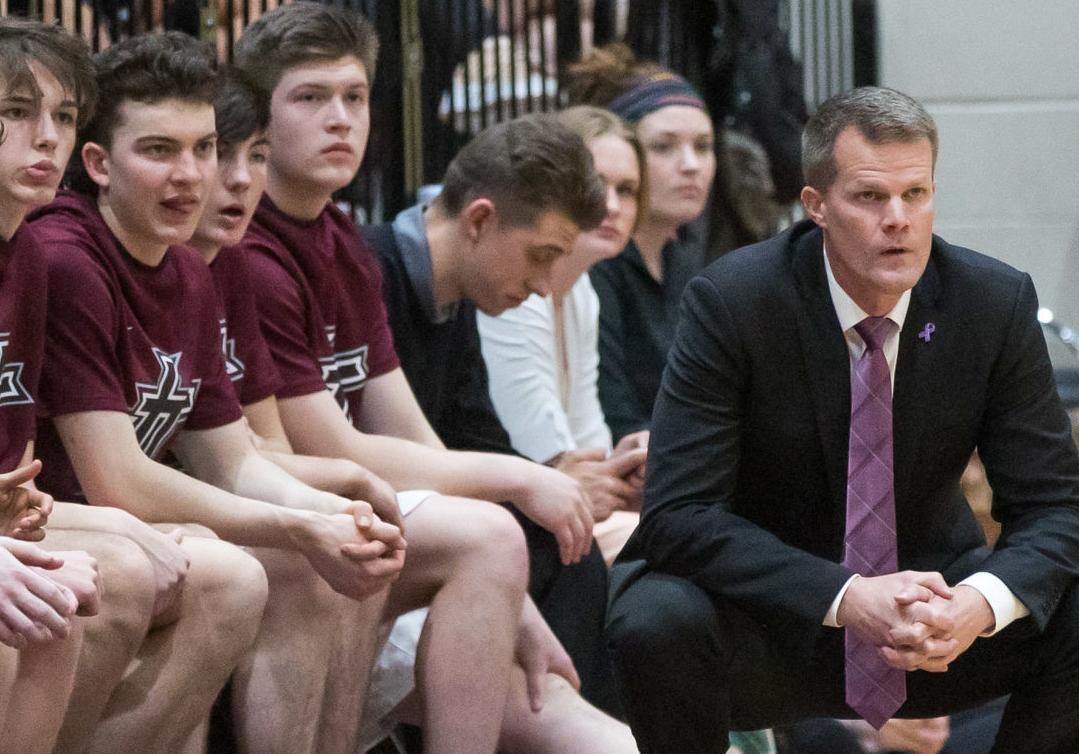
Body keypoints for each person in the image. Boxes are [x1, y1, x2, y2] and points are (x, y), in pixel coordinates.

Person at [605, 85, 1079, 754]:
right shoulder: (733, 302)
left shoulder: (990, 301)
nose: (897, 218)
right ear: (815, 206)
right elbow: (677, 513)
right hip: (776, 614)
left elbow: (1057, 508)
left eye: (915, 194)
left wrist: (978, 603)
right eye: (870, 197)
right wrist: (845, 595)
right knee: (653, 618)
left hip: (928, 615)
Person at [231, 5, 626, 752]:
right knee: (489, 528)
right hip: (277, 516)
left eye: (353, 97)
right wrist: (517, 477)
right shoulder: (254, 252)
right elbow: (330, 443)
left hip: (341, 513)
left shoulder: (341, 237)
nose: (340, 120)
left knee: (509, 550)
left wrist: (520, 610)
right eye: (310, 98)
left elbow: (409, 433)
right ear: (258, 118)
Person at [27, 31, 409, 752]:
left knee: (320, 552)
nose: (192, 175)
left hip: (129, 526)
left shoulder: (188, 273)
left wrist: (332, 513)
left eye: (203, 148)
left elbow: (232, 458)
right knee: (239, 572)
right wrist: (298, 526)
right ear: (99, 164)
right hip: (72, 522)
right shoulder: (66, 258)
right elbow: (116, 479)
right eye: (160, 150)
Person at [365, 112, 635, 718]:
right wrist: (535, 480)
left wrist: (550, 485)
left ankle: (571, 709)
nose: (544, 284)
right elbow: (360, 448)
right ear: (481, 219)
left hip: (424, 516)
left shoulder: (459, 296)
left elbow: (476, 440)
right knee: (532, 532)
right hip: (362, 519)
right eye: (539, 256)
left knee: (565, 538)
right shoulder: (366, 271)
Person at [0, 18, 200, 754]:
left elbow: (11, 473)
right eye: (15, 114)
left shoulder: (26, 251)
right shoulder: (57, 249)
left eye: (60, 115)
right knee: (73, 593)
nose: (44, 138)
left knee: (202, 568)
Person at [477, 105, 648, 564]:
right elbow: (548, 458)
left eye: (627, 191)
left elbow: (587, 447)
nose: (612, 206)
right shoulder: (513, 289)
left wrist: (625, 463)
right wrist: (612, 472)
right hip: (512, 514)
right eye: (597, 186)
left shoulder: (582, 293)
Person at [566, 43, 717, 442]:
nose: (691, 165)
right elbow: (612, 416)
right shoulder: (596, 262)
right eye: (664, 146)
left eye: (703, 146)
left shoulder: (686, 261)